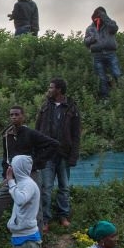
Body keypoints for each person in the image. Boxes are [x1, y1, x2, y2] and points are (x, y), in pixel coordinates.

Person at [0, 105, 58, 248]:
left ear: (23, 116)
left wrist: (35, 163)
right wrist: (5, 174)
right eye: (11, 115)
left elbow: (53, 145)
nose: (14, 117)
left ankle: (38, 243)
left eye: (17, 114)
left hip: (30, 175)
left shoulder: (31, 133)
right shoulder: (7, 135)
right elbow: (5, 157)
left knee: (35, 209)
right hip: (12, 176)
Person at [35, 78, 80, 232]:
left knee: (64, 187)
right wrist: (37, 151)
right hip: (47, 154)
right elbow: (37, 129)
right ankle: (45, 219)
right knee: (46, 187)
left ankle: (63, 216)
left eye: (51, 87)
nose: (49, 90)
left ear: (59, 90)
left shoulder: (72, 108)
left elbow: (76, 135)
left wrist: (73, 156)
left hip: (64, 154)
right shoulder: (45, 106)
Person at [83, 6, 121, 98]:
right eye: (98, 14)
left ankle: (121, 93)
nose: (99, 16)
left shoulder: (110, 25)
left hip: (110, 53)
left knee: (117, 74)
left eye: (102, 14)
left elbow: (114, 28)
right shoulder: (90, 28)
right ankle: (105, 98)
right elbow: (85, 42)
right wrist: (92, 39)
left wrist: (104, 17)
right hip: (97, 55)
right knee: (101, 78)